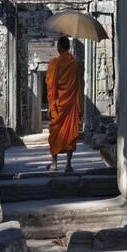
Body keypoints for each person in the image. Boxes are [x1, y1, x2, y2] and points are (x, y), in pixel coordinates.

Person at [45, 36, 83, 172]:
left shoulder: (54, 63)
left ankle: (54, 163)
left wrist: (51, 104)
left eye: (57, 46)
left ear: (60, 47)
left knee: (55, 133)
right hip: (71, 104)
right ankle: (68, 164)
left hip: (57, 104)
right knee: (70, 134)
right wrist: (81, 106)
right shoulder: (76, 64)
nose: (56, 48)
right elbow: (80, 86)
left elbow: (50, 86)